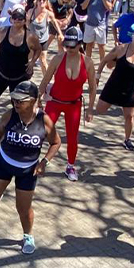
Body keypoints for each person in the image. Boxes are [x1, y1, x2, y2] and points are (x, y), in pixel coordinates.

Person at [0, 82, 61, 255]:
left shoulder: (44, 120)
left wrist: (44, 162)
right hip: (3, 164)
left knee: (23, 209)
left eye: (20, 100)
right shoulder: (9, 115)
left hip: (27, 171)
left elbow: (56, 142)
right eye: (14, 99)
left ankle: (28, 236)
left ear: (33, 101)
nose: (15, 103)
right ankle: (0, 189)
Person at [39, 26, 97, 181]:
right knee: (41, 132)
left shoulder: (88, 62)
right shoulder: (58, 59)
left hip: (74, 105)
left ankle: (70, 166)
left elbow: (93, 87)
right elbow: (45, 81)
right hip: (55, 102)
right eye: (67, 46)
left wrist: (90, 109)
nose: (69, 49)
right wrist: (37, 99)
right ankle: (32, 160)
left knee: (72, 138)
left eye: (72, 46)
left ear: (80, 44)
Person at [95, 25, 134, 151]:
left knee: (129, 116)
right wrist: (97, 76)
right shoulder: (121, 48)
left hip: (129, 89)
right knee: (100, 110)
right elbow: (104, 60)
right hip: (113, 85)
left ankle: (127, 139)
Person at [0, 7, 42, 105]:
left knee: (19, 106)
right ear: (11, 19)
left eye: (20, 18)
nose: (17, 20)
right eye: (14, 17)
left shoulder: (30, 36)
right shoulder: (2, 31)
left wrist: (32, 62)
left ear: (24, 20)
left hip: (19, 76)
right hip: (0, 73)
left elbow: (38, 49)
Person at [81, 0, 114, 65]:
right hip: (89, 24)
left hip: (100, 25)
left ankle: (102, 63)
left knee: (101, 46)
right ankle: (88, 63)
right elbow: (83, 7)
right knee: (89, 45)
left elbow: (109, 8)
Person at [28, 0, 64, 71]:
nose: (41, 2)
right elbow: (26, 23)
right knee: (26, 59)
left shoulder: (49, 14)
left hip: (43, 40)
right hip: (32, 41)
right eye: (39, 0)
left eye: (44, 0)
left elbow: (55, 23)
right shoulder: (31, 12)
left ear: (46, 2)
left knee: (43, 61)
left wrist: (60, 34)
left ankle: (47, 78)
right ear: (37, 2)